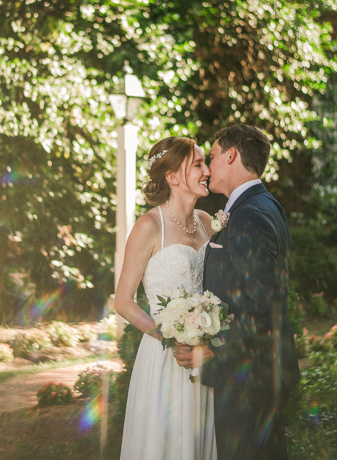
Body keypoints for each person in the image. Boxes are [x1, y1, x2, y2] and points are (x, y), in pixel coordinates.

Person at [173, 125, 300, 460]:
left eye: (212, 157)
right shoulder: (262, 205)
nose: (208, 166)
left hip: (248, 378)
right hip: (260, 373)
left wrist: (213, 350)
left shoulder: (248, 217)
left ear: (231, 155)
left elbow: (259, 303)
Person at [115, 136, 218, 460]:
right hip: (165, 356)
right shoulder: (149, 226)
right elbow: (123, 301)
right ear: (172, 178)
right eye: (198, 164)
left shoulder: (206, 223)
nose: (207, 171)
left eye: (206, 163)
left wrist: (208, 339)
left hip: (204, 355)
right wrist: (169, 336)